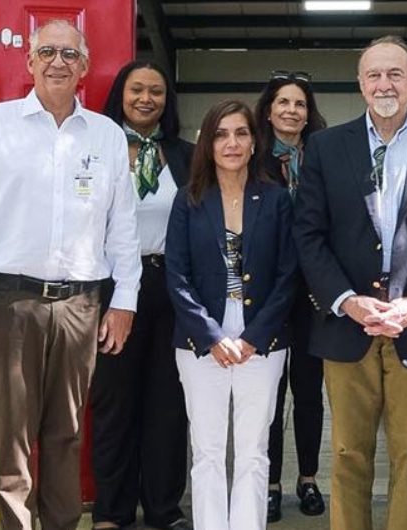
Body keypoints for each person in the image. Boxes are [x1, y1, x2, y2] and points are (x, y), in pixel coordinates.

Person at [0, 20, 140, 530]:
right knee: (11, 432)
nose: (59, 62)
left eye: (70, 54)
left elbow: (122, 225)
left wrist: (124, 301)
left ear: (85, 67)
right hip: (9, 301)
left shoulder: (104, 135)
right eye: (48, 52)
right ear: (29, 62)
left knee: (67, 432)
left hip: (81, 304)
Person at [292, 35, 407, 530]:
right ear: (360, 83)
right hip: (346, 328)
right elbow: (308, 236)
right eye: (374, 74)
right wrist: (347, 301)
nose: (384, 83)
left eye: (395, 73)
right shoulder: (326, 148)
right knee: (348, 456)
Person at [165, 99, 297, 530]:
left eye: (241, 133)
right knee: (206, 452)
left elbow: (288, 274)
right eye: (221, 134)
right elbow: (177, 275)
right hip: (200, 342)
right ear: (207, 142)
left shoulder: (276, 200)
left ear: (255, 141)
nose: (232, 143)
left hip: (262, 339)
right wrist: (210, 336)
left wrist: (254, 336)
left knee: (253, 450)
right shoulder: (189, 200)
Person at [88, 60, 193, 530]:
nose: (146, 98)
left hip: (172, 287)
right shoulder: (96, 146)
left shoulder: (187, 155)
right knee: (114, 404)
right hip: (112, 290)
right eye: (137, 90)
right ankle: (112, 512)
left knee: (169, 406)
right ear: (120, 94)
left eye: (156, 91)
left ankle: (163, 510)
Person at [253, 70, 328, 522]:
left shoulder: (321, 155)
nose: (291, 111)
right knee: (270, 392)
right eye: (283, 103)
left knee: (309, 390)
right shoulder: (254, 158)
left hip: (314, 291)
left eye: (299, 104)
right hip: (267, 289)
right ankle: (272, 483)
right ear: (268, 110)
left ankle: (309, 479)